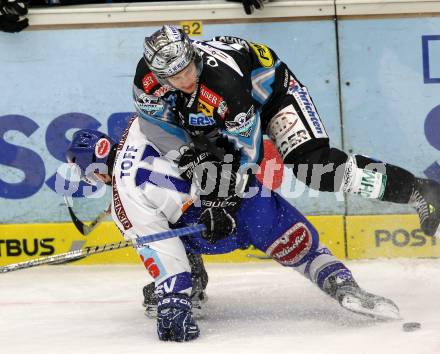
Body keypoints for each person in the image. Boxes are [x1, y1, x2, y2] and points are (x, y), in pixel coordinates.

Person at [66, 118, 400, 343]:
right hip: (250, 196)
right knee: (304, 250)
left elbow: (163, 250)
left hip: (210, 231)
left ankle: (192, 286)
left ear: (94, 172)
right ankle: (340, 282)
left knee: (169, 232)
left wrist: (173, 300)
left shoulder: (124, 200)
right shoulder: (140, 121)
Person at [133, 25, 440, 243]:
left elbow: (249, 152)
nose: (185, 79)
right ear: (158, 75)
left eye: (188, 68)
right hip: (216, 114)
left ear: (193, 55)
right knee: (187, 171)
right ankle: (191, 276)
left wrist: (223, 201)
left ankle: (420, 190)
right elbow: (154, 124)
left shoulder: (221, 82)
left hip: (273, 97)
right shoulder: (146, 81)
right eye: (174, 75)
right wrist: (189, 157)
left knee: (315, 168)